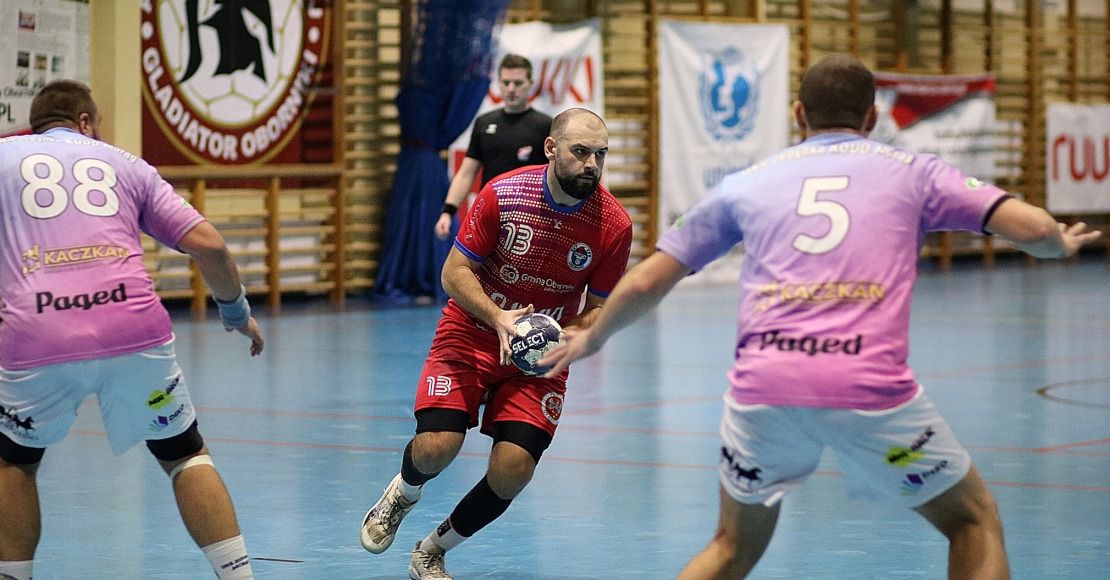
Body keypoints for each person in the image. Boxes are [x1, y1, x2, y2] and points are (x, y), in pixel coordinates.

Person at [540, 54, 1103, 579]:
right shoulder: (914, 172)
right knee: (972, 521)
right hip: (870, 394)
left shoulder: (749, 182)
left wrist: (594, 338)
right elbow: (1034, 229)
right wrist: (1059, 243)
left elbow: (648, 280)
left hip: (763, 395)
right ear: (873, 116)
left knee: (732, 547)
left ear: (799, 114)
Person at [0, 80, 265, 579]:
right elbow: (210, 245)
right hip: (133, 331)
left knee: (13, 461)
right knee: (184, 454)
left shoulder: (4, 157)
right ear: (84, 122)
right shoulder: (124, 163)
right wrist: (236, 314)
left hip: (37, 332)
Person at [361, 108, 632, 579]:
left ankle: (432, 550)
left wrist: (565, 337)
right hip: (472, 331)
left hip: (540, 356)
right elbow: (453, 273)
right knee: (436, 448)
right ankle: (404, 492)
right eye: (581, 152)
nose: (592, 164)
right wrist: (499, 318)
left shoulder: (614, 225)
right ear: (551, 149)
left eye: (600, 154)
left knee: (514, 469)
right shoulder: (503, 194)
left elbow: (599, 307)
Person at [434, 54, 553, 241]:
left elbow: (555, 177)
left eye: (518, 83)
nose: (511, 89)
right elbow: (466, 173)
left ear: (530, 83)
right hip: (491, 214)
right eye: (506, 83)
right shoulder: (484, 123)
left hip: (531, 217)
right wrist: (447, 212)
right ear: (499, 83)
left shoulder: (546, 126)